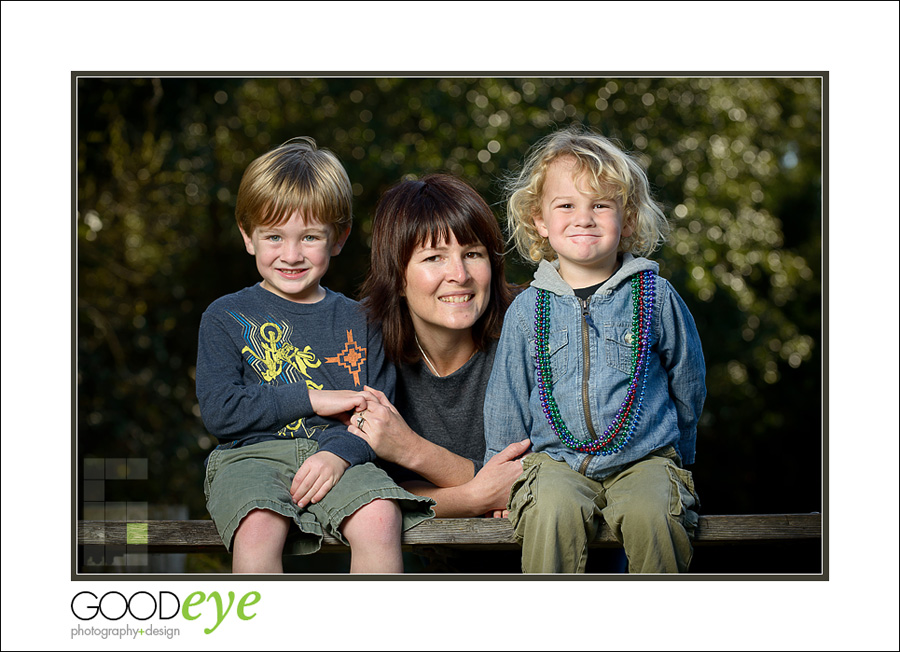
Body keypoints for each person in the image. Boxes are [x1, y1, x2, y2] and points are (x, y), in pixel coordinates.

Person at [195, 137, 434, 574]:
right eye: (273, 237)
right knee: (258, 526)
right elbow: (220, 412)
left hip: (341, 454)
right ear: (248, 237)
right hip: (251, 458)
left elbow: (377, 411)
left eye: (309, 237)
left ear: (338, 238)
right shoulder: (225, 316)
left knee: (381, 516)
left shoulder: (363, 320)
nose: (291, 255)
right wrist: (312, 398)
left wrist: (338, 454)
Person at [483, 125, 706, 573]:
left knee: (654, 515)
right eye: (566, 205)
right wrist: (499, 475)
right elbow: (507, 395)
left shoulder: (655, 296)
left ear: (627, 218)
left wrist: (678, 452)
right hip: (556, 463)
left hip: (642, 459)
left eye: (600, 205)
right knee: (550, 511)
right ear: (541, 221)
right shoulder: (528, 309)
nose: (583, 217)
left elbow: (688, 380)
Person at [348, 174, 530, 519]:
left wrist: (411, 450)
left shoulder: (531, 327)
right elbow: (361, 493)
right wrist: (474, 498)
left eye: (472, 253)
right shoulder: (363, 348)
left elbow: (530, 481)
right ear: (397, 277)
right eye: (434, 258)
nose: (459, 275)